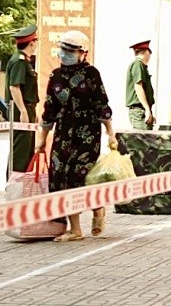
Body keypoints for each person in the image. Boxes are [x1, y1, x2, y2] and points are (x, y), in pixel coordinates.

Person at [33, 30, 116, 242]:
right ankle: (75, 229)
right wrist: (41, 140)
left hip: (87, 133)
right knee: (59, 176)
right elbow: (49, 109)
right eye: (63, 48)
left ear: (83, 52)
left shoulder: (92, 74)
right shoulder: (56, 76)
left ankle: (98, 207)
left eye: (71, 50)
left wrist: (111, 134)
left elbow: (102, 105)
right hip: (63, 132)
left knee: (80, 175)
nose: (65, 53)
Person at [4, 24, 38, 177]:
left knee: (27, 150)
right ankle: (14, 187)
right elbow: (14, 87)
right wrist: (24, 111)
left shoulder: (24, 61)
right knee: (20, 151)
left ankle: (21, 185)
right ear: (31, 43)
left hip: (27, 108)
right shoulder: (19, 61)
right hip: (20, 108)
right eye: (35, 41)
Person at [125, 40, 155, 130]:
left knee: (147, 141)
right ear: (146, 52)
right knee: (143, 142)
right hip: (139, 110)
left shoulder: (139, 65)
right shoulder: (138, 64)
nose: (149, 56)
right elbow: (138, 87)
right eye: (149, 53)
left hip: (141, 110)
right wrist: (147, 109)